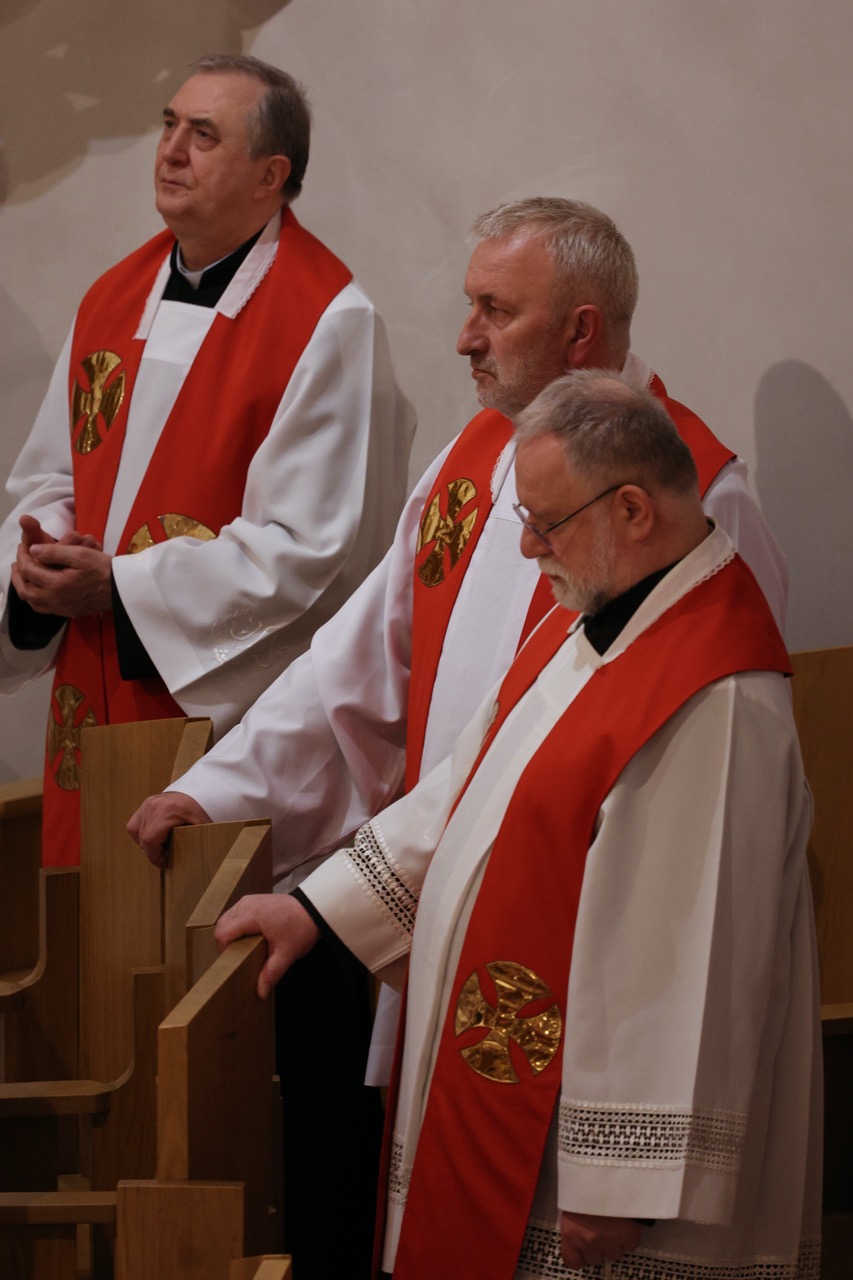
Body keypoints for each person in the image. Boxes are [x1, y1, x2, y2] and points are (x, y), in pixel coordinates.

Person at [129, 198, 789, 1278]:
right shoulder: (472, 466)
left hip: (607, 996)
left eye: (494, 309)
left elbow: (699, 866)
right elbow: (395, 694)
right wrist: (261, 831)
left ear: (579, 331)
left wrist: (632, 1164)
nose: (463, 336)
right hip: (464, 946)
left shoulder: (695, 504)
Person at [215, 371, 822, 1280]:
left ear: (632, 511)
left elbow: (686, 954)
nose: (527, 546)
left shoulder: (716, 689)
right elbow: (467, 793)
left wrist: (620, 1180)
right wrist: (316, 909)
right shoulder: (598, 619)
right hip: (533, 1111)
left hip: (612, 1185)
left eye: (546, 522)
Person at [0, 52, 414, 866]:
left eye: (202, 134)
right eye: (167, 126)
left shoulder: (327, 319)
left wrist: (120, 588)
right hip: (93, 685)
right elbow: (54, 475)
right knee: (86, 911)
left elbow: (311, 552)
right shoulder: (114, 296)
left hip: (224, 722)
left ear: (270, 175)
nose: (171, 150)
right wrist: (42, 565)